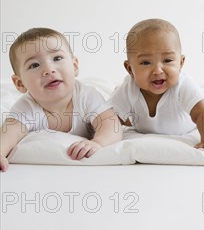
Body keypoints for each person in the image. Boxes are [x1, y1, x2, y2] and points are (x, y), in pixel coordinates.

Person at [0, 28, 123, 172]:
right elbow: (9, 132)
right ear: (20, 84)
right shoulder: (26, 107)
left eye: (57, 58)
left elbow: (111, 123)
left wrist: (98, 143)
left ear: (75, 66)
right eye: (34, 65)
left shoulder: (86, 96)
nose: (49, 69)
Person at [109, 18, 204, 148]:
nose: (157, 71)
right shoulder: (128, 88)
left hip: (193, 117)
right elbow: (109, 119)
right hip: (144, 123)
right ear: (130, 69)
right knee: (116, 111)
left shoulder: (182, 84)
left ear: (180, 63)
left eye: (167, 60)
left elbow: (201, 115)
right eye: (146, 63)